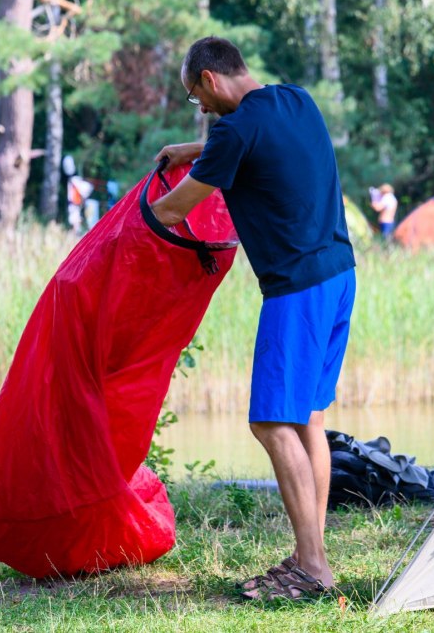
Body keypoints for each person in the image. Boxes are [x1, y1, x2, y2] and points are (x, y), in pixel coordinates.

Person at [152, 37, 355, 601]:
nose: (201, 109)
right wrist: (194, 148)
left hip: (296, 290)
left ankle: (313, 566)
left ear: (211, 81)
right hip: (340, 274)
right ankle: (309, 555)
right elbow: (257, 142)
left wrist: (132, 219)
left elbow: (173, 209)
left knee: (270, 423)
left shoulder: (234, 131)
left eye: (197, 97)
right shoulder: (297, 100)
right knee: (308, 418)